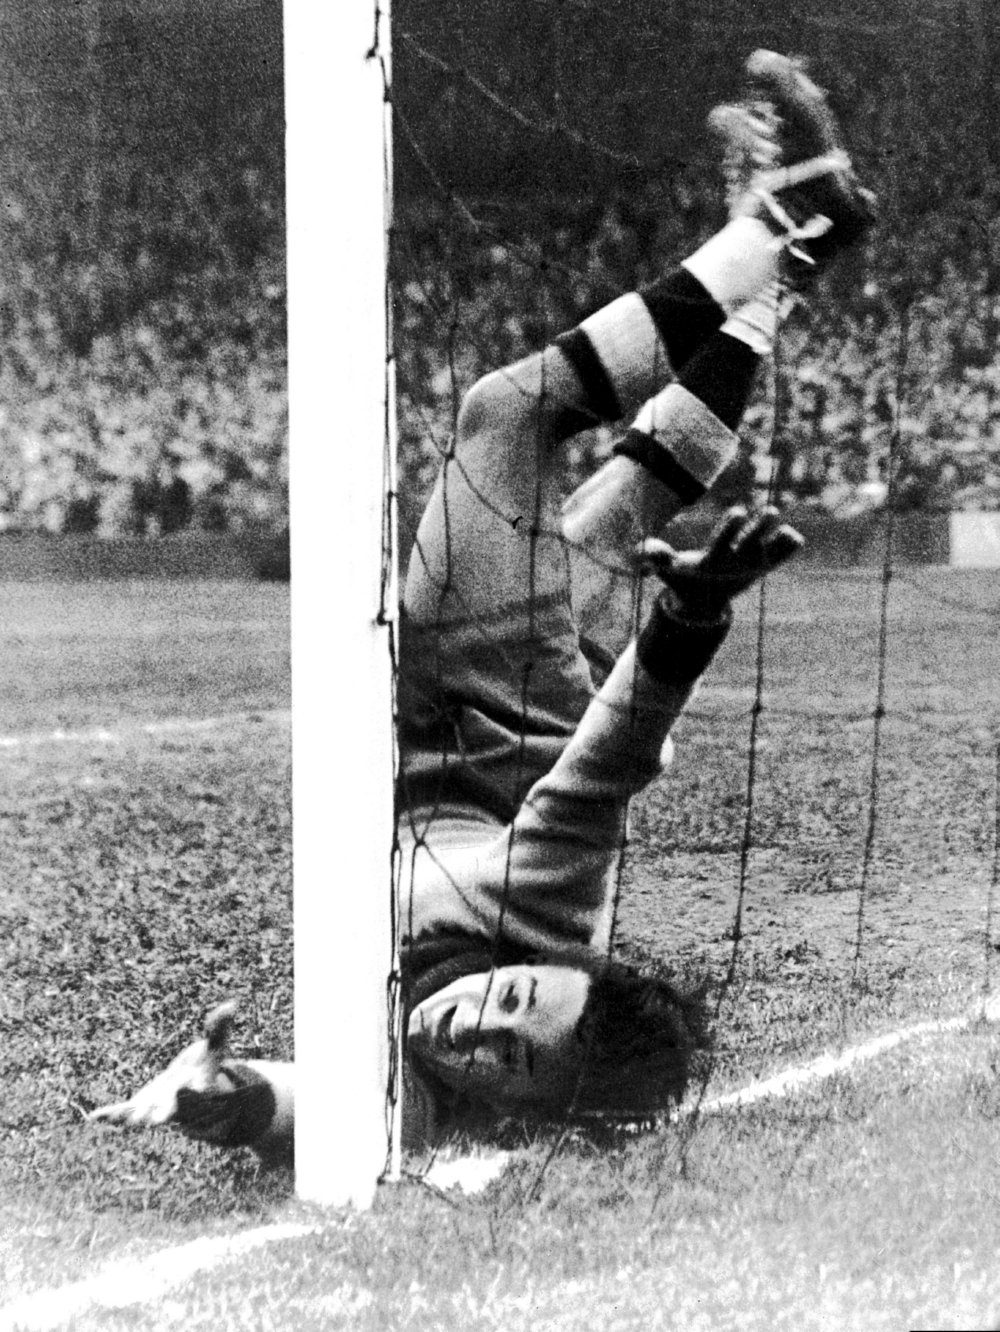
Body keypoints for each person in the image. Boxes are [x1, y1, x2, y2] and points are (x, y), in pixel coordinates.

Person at [89, 51, 875, 1158]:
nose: (474, 1028)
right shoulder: (553, 908)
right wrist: (685, 626)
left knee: (626, 496)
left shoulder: (419, 1087)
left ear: (514, 1109)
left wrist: (220, 1102)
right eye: (518, 1006)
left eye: (500, 1062)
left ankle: (785, 279)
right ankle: (768, 229)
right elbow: (607, 770)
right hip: (494, 711)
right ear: (553, 968)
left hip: (444, 734)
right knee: (507, 415)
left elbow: (302, 1102)